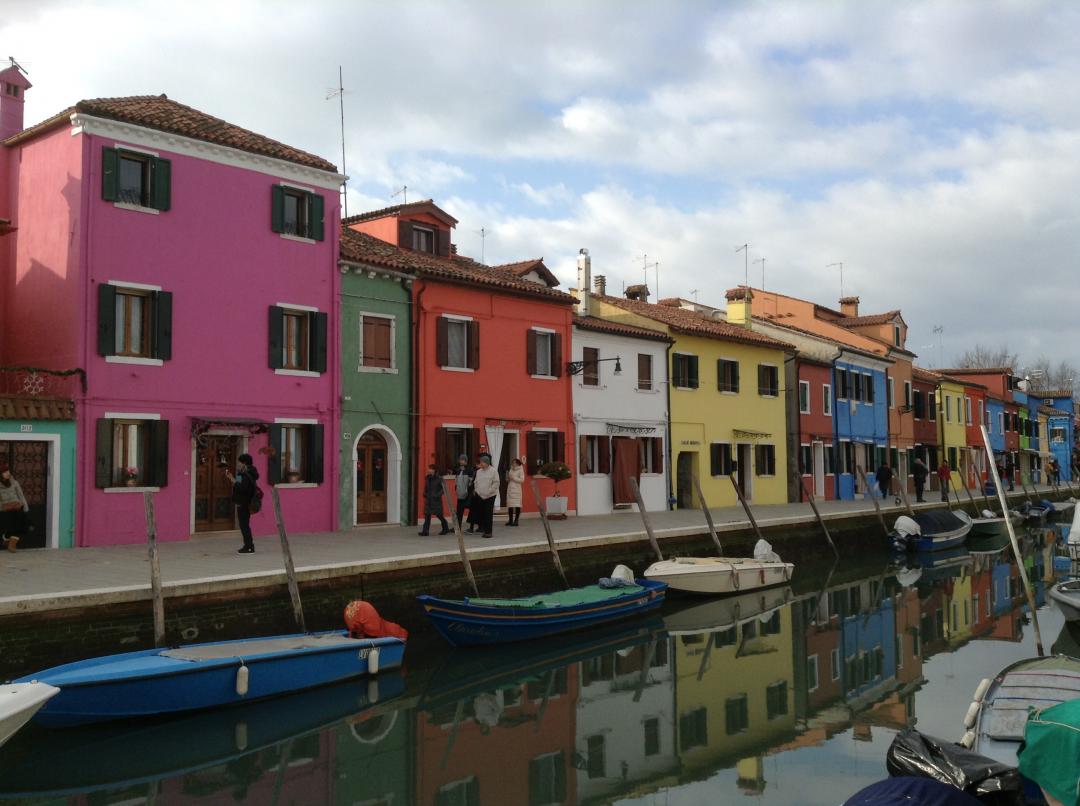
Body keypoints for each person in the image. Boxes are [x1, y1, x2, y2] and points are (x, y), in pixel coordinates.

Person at [226, 454, 259, 554]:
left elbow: (242, 488)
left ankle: (249, 546)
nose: (238, 464)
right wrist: (232, 479)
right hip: (246, 501)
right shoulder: (246, 473)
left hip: (243, 502)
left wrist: (232, 479)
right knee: (244, 525)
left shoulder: (244, 474)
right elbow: (237, 485)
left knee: (244, 525)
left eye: (239, 462)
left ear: (244, 462)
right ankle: (248, 545)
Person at [0, 463, 28, 552]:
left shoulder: (14, 482)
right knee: (13, 524)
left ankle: (11, 545)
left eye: (8, 471)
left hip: (17, 507)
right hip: (5, 510)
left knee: (19, 522)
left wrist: (25, 507)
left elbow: (21, 495)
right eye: (5, 472)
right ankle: (6, 538)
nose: (8, 473)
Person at [472, 452, 500, 539]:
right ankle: (483, 528)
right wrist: (477, 491)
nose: (481, 463)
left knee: (488, 514)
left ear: (487, 463)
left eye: (482, 462)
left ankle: (488, 532)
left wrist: (489, 491)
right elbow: (475, 482)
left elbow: (496, 483)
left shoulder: (493, 471)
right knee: (481, 513)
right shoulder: (478, 472)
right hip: (480, 495)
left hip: (490, 496)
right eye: (480, 462)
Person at [419, 464, 451, 536]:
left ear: (434, 470)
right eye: (429, 468)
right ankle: (425, 531)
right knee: (427, 516)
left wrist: (436, 495)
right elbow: (426, 487)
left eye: (430, 469)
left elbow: (443, 489)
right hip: (428, 500)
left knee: (439, 515)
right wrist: (425, 493)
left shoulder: (439, 479)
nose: (428, 470)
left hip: (436, 501)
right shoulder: (427, 478)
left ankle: (445, 528)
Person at [453, 454, 475, 532]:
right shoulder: (458, 470)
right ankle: (457, 527)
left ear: (465, 461)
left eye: (461, 460)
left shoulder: (470, 470)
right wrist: (456, 488)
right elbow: (456, 480)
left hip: (467, 494)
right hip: (460, 493)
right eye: (460, 459)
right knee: (458, 511)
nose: (460, 461)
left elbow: (471, 481)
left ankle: (472, 527)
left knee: (472, 510)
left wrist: (467, 490)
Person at [505, 458, 524, 526]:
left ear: (517, 463)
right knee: (510, 505)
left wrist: (513, 478)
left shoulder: (520, 470)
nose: (513, 464)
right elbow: (510, 478)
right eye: (512, 462)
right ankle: (510, 520)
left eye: (514, 462)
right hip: (510, 488)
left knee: (517, 505)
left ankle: (516, 520)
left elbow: (522, 480)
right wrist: (508, 478)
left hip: (517, 489)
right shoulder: (511, 469)